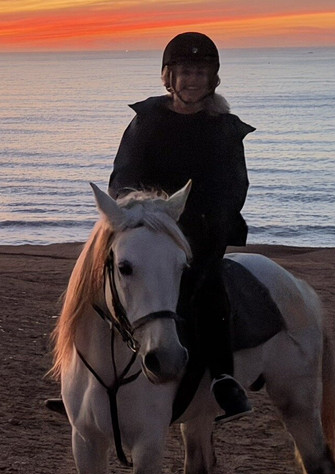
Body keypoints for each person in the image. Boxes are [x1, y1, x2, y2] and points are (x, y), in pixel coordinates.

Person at [108, 31, 253, 422]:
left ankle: (223, 377)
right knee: (102, 283)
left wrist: (199, 232)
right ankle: (83, 382)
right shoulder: (146, 122)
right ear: (168, 77)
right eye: (185, 72)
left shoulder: (225, 129)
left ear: (213, 80)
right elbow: (123, 178)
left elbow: (232, 189)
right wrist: (143, 216)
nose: (192, 80)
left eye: (200, 73)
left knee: (208, 289)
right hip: (148, 227)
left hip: (199, 235)